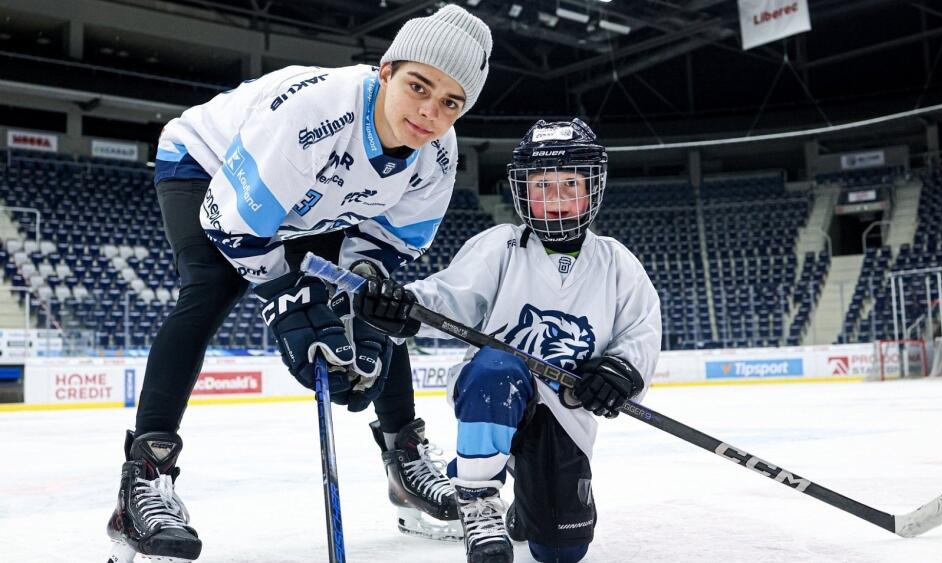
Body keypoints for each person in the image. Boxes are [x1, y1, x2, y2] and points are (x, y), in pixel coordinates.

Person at [106, 6, 492, 561]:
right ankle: (144, 479)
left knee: (380, 305)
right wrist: (286, 302)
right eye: (418, 86)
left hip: (315, 202)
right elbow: (231, 223)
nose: (430, 112)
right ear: (386, 71)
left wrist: (361, 296)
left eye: (451, 103)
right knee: (211, 288)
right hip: (209, 167)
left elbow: (384, 246)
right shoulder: (315, 112)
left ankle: (405, 461)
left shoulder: (437, 153)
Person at [352, 118, 662, 563]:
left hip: (564, 411)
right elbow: (450, 298)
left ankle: (528, 502)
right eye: (542, 186)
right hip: (493, 391)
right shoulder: (501, 246)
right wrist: (405, 306)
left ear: (593, 187)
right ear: (522, 191)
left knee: (561, 551)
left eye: (570, 185)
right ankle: (477, 501)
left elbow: (641, 332)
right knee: (496, 368)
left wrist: (620, 372)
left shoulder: (616, 262)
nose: (555, 199)